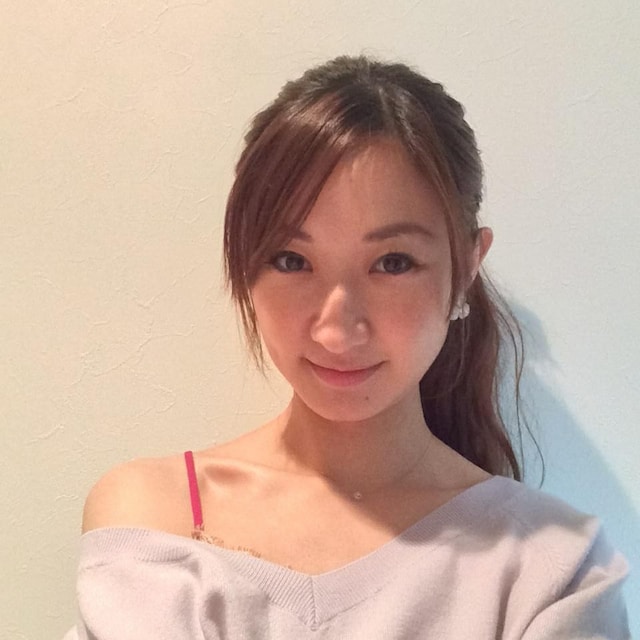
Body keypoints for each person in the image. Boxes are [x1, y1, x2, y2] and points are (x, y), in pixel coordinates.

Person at [65, 55, 629, 639]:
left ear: (466, 267)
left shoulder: (552, 567)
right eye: (292, 260)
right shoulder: (154, 520)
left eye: (393, 263)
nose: (336, 332)